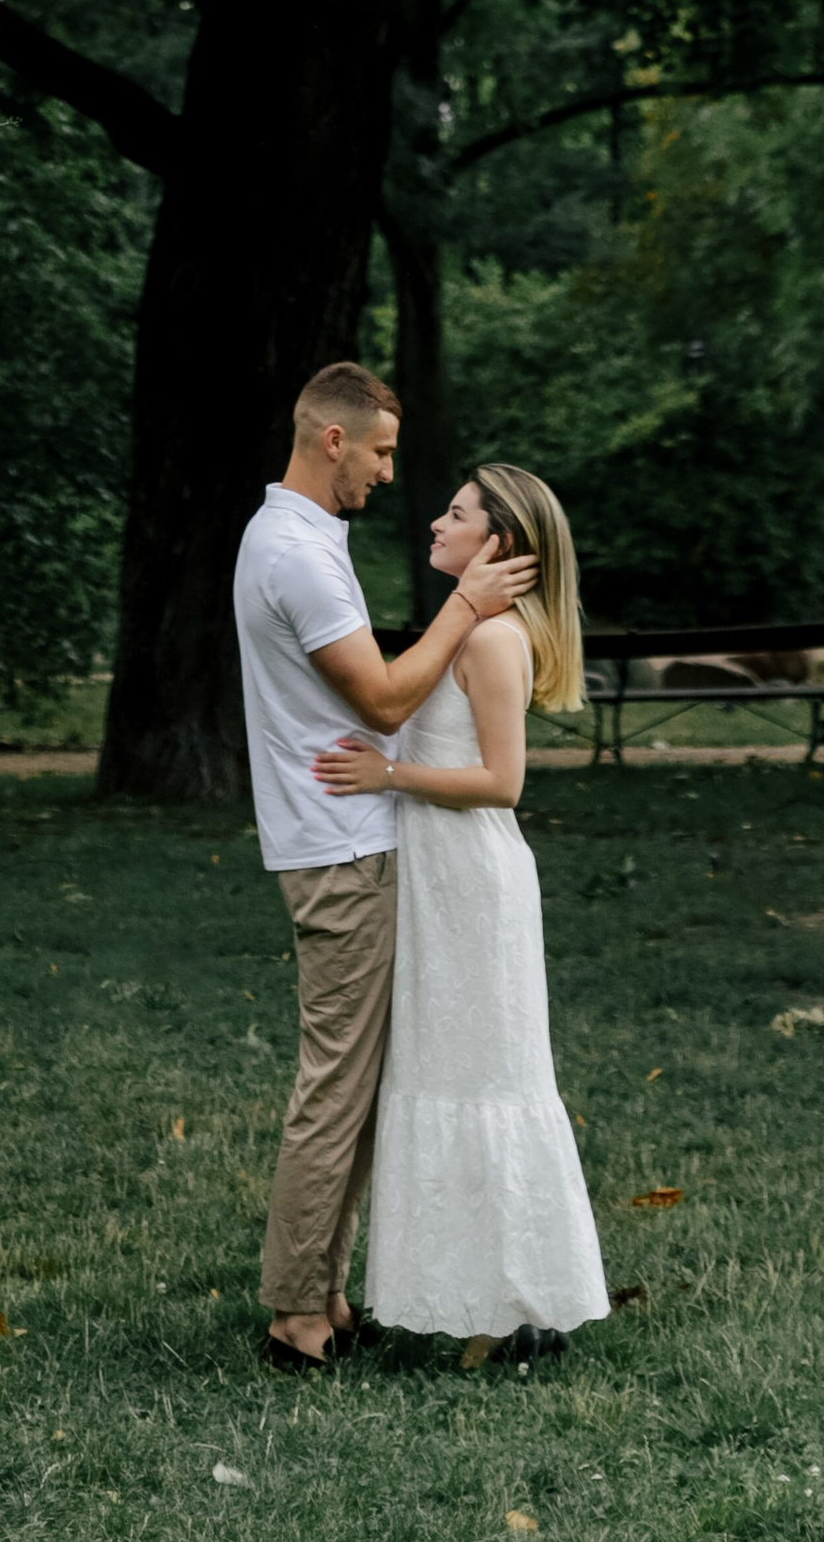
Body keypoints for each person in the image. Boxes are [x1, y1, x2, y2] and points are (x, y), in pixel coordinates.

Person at [231, 361, 537, 1377]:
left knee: (354, 1085)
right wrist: (467, 602)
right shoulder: (297, 555)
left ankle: (323, 1290)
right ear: (333, 440)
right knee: (336, 1088)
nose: (390, 472)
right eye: (381, 451)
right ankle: (296, 1316)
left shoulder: (305, 537)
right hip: (342, 848)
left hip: (350, 838)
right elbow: (385, 700)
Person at [314, 460, 609, 1365]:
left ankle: (515, 1308)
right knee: (447, 1072)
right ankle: (477, 1298)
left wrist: (388, 773)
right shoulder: (467, 629)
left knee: (486, 1080)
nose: (437, 523)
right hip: (439, 882)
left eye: (456, 513)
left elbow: (502, 781)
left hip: (475, 884)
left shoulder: (492, 641)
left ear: (499, 542)